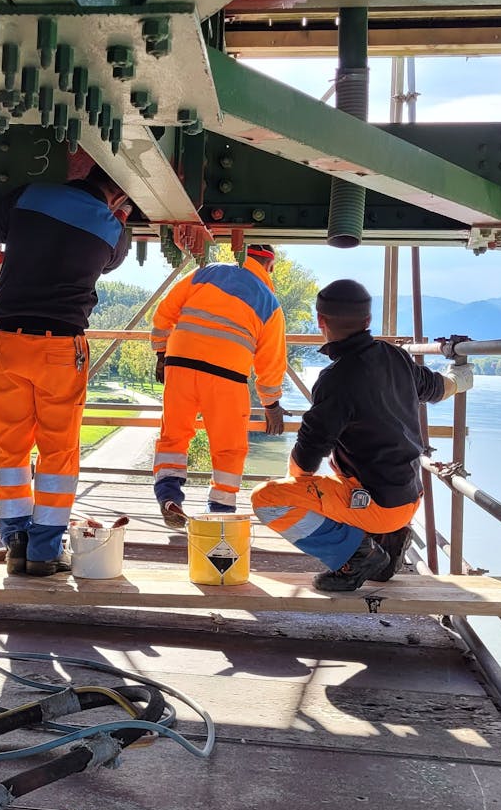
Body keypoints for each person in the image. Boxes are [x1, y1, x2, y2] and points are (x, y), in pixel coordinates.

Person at [250, 279, 472, 591]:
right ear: (368, 322)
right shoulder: (396, 356)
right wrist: (459, 378)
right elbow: (436, 388)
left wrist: (296, 487)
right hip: (409, 498)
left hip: (376, 506)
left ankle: (356, 555)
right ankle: (388, 541)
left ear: (320, 322)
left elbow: (308, 456)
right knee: (342, 478)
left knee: (267, 499)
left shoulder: (336, 380)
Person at [0, 167, 132, 576]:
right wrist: (118, 221)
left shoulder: (31, 193)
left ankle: (15, 542)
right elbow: (110, 261)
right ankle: (44, 550)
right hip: (61, 347)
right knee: (58, 450)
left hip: (8, 341)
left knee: (10, 447)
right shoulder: (114, 230)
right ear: (119, 200)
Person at [149, 244, 287, 526]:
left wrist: (161, 353)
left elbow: (165, 311)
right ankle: (220, 512)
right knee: (229, 446)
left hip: (181, 365)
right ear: (269, 267)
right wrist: (271, 404)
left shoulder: (206, 273)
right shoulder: (269, 303)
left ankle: (168, 495)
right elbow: (270, 363)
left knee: (174, 434)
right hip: (227, 376)